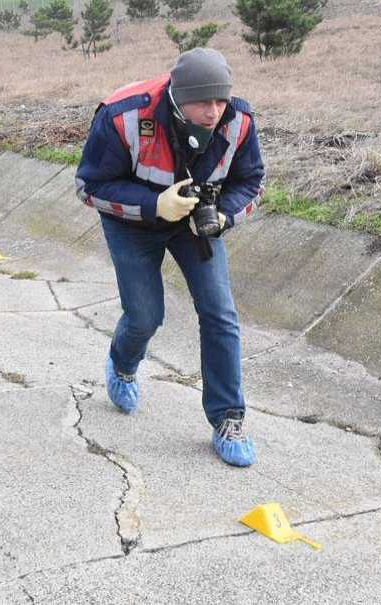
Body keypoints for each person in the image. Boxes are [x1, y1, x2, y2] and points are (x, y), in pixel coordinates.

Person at [74, 48, 265, 467]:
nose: (213, 112)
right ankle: (123, 364)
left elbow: (252, 182)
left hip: (194, 224)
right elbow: (89, 186)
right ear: (178, 96)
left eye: (220, 100)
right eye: (202, 102)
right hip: (132, 221)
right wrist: (154, 204)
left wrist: (223, 216)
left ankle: (228, 419)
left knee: (220, 312)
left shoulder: (239, 121)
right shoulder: (124, 115)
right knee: (145, 316)